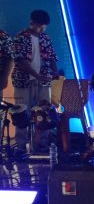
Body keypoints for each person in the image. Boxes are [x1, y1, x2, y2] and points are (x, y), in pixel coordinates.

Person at [11, 10, 59, 150]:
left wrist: (55, 72)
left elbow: (52, 57)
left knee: (44, 112)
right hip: (23, 81)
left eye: (44, 26)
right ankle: (21, 145)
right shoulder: (21, 37)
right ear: (33, 22)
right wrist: (36, 76)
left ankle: (42, 143)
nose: (42, 28)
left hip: (43, 81)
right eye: (40, 25)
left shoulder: (46, 38)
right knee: (21, 113)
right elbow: (20, 60)